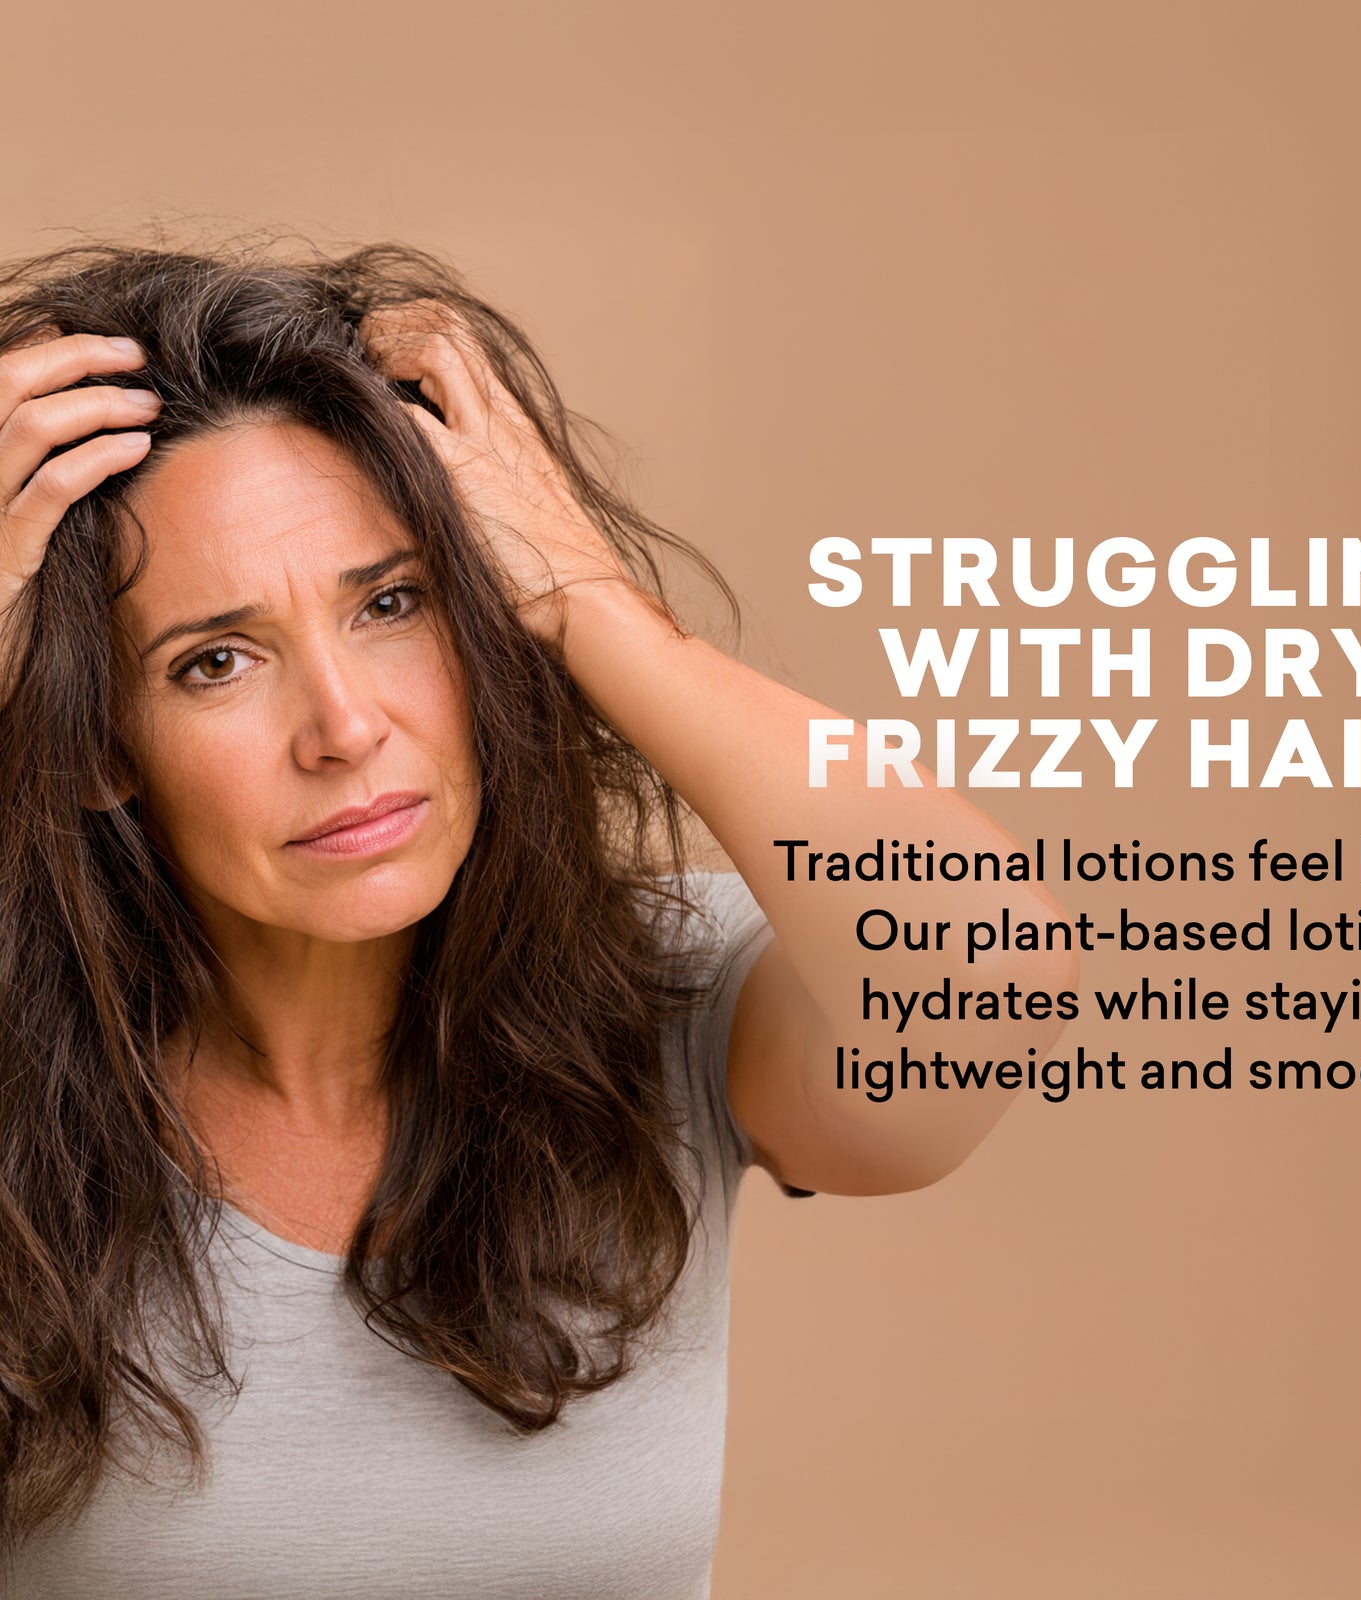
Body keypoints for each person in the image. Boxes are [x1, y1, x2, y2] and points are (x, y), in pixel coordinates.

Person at [0, 235, 1076, 1597]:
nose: (345, 727)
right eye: (215, 661)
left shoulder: (663, 999)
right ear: (95, 743)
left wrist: (596, 607)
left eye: (393, 603)